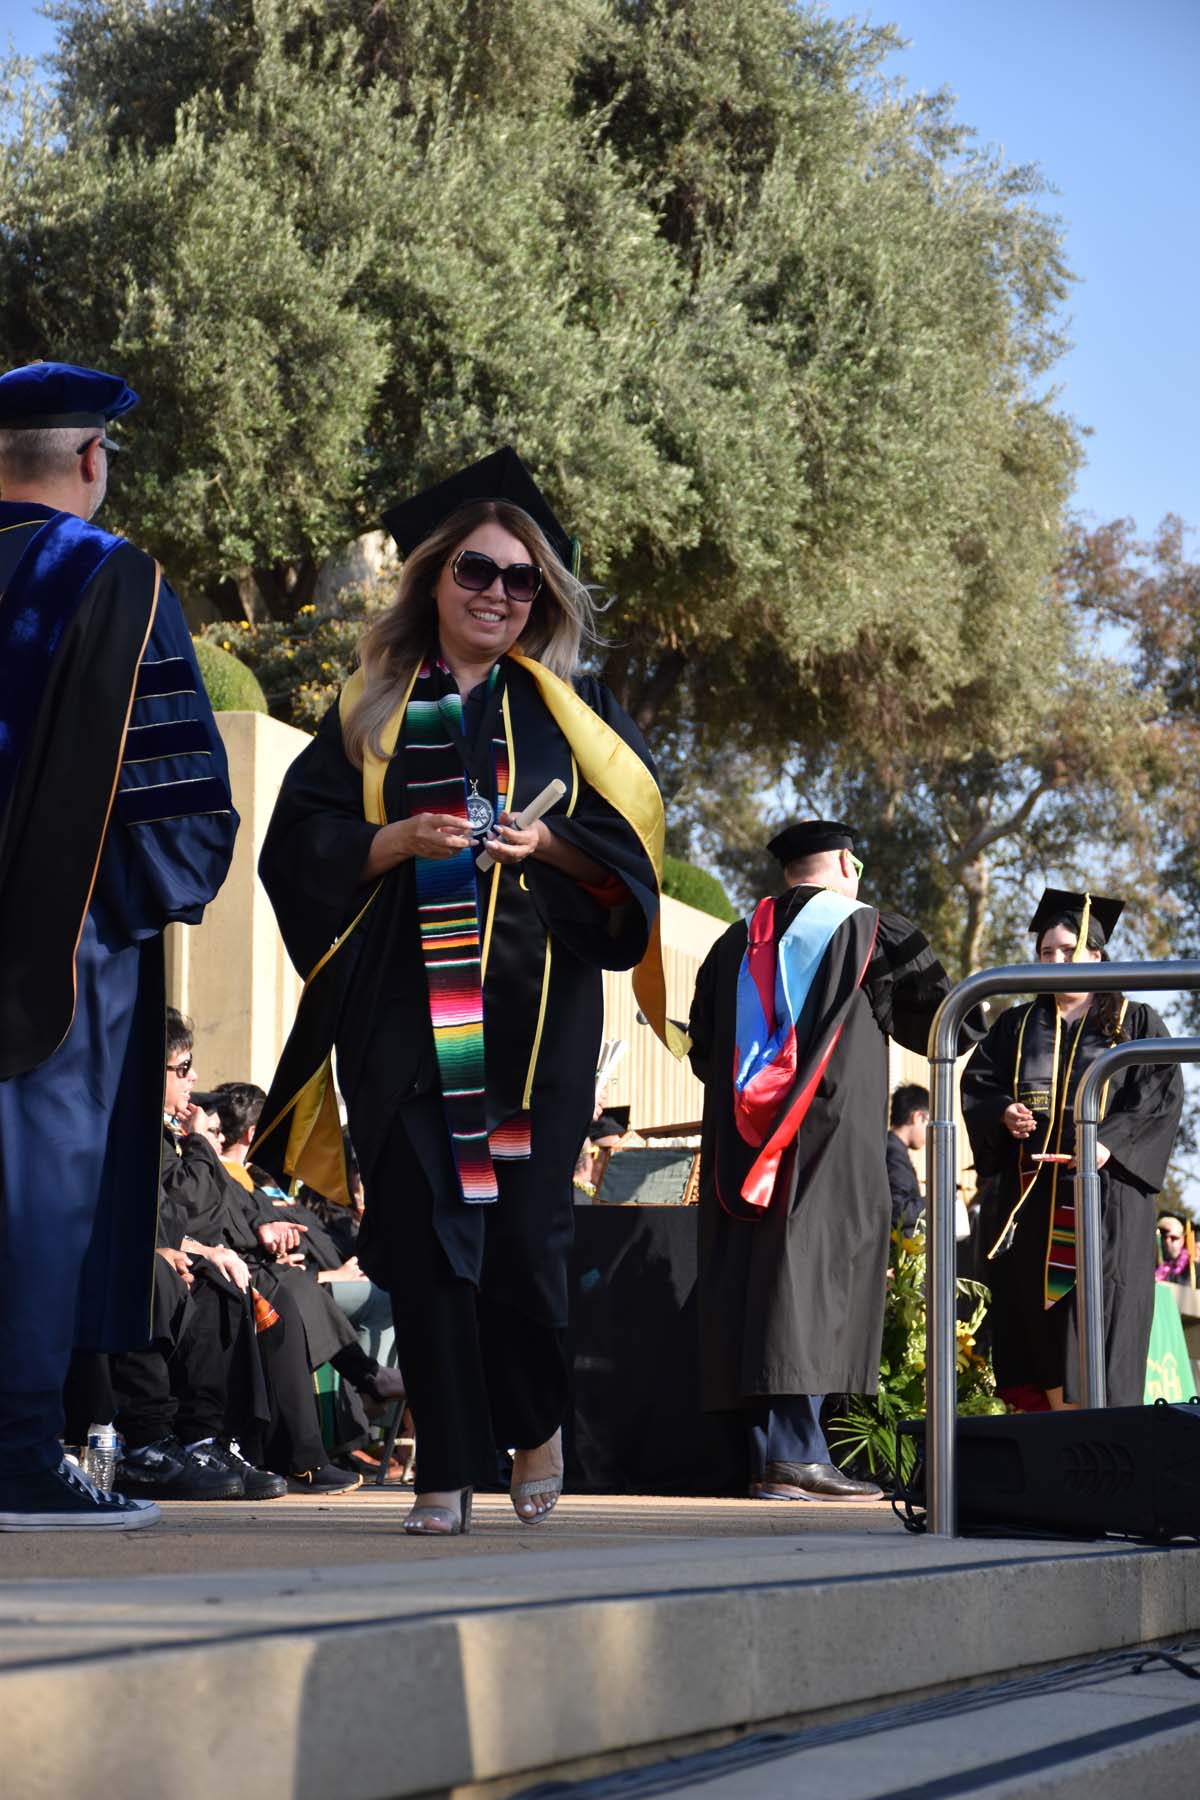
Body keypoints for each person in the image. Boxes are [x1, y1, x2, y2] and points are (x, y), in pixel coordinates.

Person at [253, 447, 676, 1534]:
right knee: (428, 1246)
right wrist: (391, 838)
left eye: (521, 578)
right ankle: (444, 1464)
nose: (498, 594)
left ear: (543, 597)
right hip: (406, 1019)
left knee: (524, 1253)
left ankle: (534, 1423)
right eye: (477, 573)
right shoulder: (373, 709)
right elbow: (297, 845)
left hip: (533, 1029)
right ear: (434, 581)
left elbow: (632, 867)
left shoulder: (578, 715)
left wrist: (556, 846)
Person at [0, 362, 237, 1530]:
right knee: (41, 1195)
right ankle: (13, 1452)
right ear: (91, 460)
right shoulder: (119, 581)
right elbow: (175, 804)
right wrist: (134, 907)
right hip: (59, 954)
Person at [688, 820, 982, 1502]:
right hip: (829, 1137)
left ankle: (768, 1459)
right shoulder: (874, 930)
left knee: (759, 1278)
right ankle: (799, 1452)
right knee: (813, 1273)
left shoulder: (733, 943)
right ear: (848, 863)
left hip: (742, 1143)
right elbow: (950, 1022)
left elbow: (703, 1053)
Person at [962, 889, 1183, 1411]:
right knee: (1033, 1329)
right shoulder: (1016, 1026)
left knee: (1092, 1320)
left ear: (1097, 956)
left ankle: (1097, 1438)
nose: (1055, 961)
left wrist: (1106, 1144)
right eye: (1046, 952)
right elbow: (980, 1082)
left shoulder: (1135, 1022)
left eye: (1067, 951)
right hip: (1029, 1202)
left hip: (1104, 1208)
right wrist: (1001, 1110)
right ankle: (1046, 1436)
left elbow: (1159, 1099)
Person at [887, 1084, 929, 1232]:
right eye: (929, 1124)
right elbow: (898, 1210)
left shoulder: (891, 1149)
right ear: (917, 1117)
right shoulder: (893, 1154)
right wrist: (934, 1204)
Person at [1155, 1214, 1194, 1285]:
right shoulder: (1149, 1263)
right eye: (1164, 1237)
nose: (1168, 1241)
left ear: (1182, 1240)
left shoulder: (1192, 1270)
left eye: (1173, 1238)